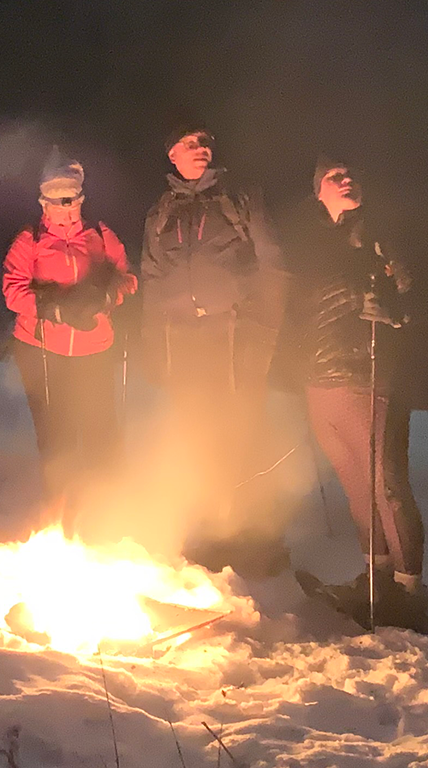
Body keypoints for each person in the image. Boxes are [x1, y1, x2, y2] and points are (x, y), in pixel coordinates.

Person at [278, 159, 425, 625]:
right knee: (353, 480)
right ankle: (376, 576)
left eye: (350, 174)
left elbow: (419, 296)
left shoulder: (383, 233)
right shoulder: (309, 239)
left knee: (385, 480)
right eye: (333, 176)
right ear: (317, 190)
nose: (345, 180)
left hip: (370, 371)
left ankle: (407, 588)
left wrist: (396, 311)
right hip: (319, 373)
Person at [139, 125, 290, 573]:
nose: (201, 150)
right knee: (196, 434)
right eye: (189, 143)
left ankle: (257, 540)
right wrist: (152, 345)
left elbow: (274, 263)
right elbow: (151, 276)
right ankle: (212, 533)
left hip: (234, 333)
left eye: (205, 142)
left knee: (241, 432)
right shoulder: (161, 211)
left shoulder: (239, 197)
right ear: (171, 153)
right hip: (185, 338)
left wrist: (265, 330)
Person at [1, 154, 137, 522]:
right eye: (55, 199)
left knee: (99, 431)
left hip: (95, 348)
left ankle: (104, 513)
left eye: (71, 199)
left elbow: (127, 276)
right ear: (42, 202)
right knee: (56, 436)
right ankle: (61, 513)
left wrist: (106, 296)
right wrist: (55, 309)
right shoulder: (29, 239)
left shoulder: (100, 234)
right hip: (42, 349)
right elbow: (13, 292)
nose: (65, 207)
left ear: (81, 199)